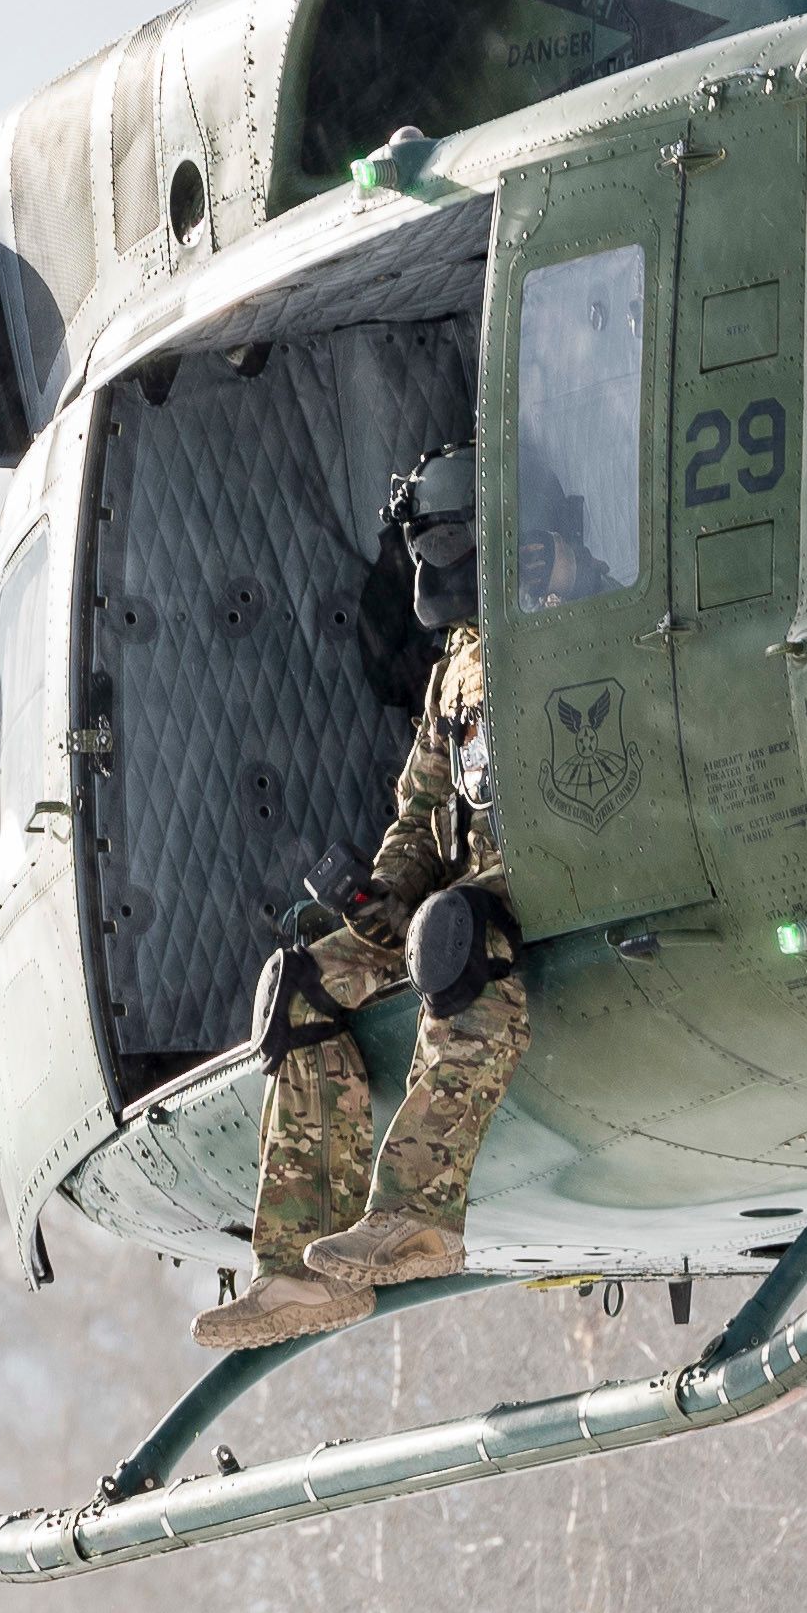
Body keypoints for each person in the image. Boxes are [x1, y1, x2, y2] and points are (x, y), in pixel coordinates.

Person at [198, 444, 529, 1351]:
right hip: (459, 891)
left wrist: (431, 906)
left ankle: (418, 1213)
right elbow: (421, 811)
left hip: (543, 881)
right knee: (301, 981)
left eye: (447, 543)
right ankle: (300, 1270)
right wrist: (386, 889)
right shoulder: (455, 667)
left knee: (451, 936)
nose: (431, 569)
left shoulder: (557, 634)